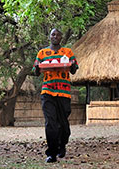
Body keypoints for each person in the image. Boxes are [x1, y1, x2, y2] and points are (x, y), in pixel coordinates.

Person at [32, 28, 78, 163]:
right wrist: (37, 68)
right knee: (50, 123)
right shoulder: (42, 53)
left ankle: (62, 144)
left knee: (63, 124)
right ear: (49, 36)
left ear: (61, 38)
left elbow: (74, 70)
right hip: (48, 92)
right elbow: (36, 71)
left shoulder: (67, 52)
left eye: (58, 34)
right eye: (53, 34)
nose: (55, 36)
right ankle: (51, 153)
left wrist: (73, 64)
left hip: (64, 92)